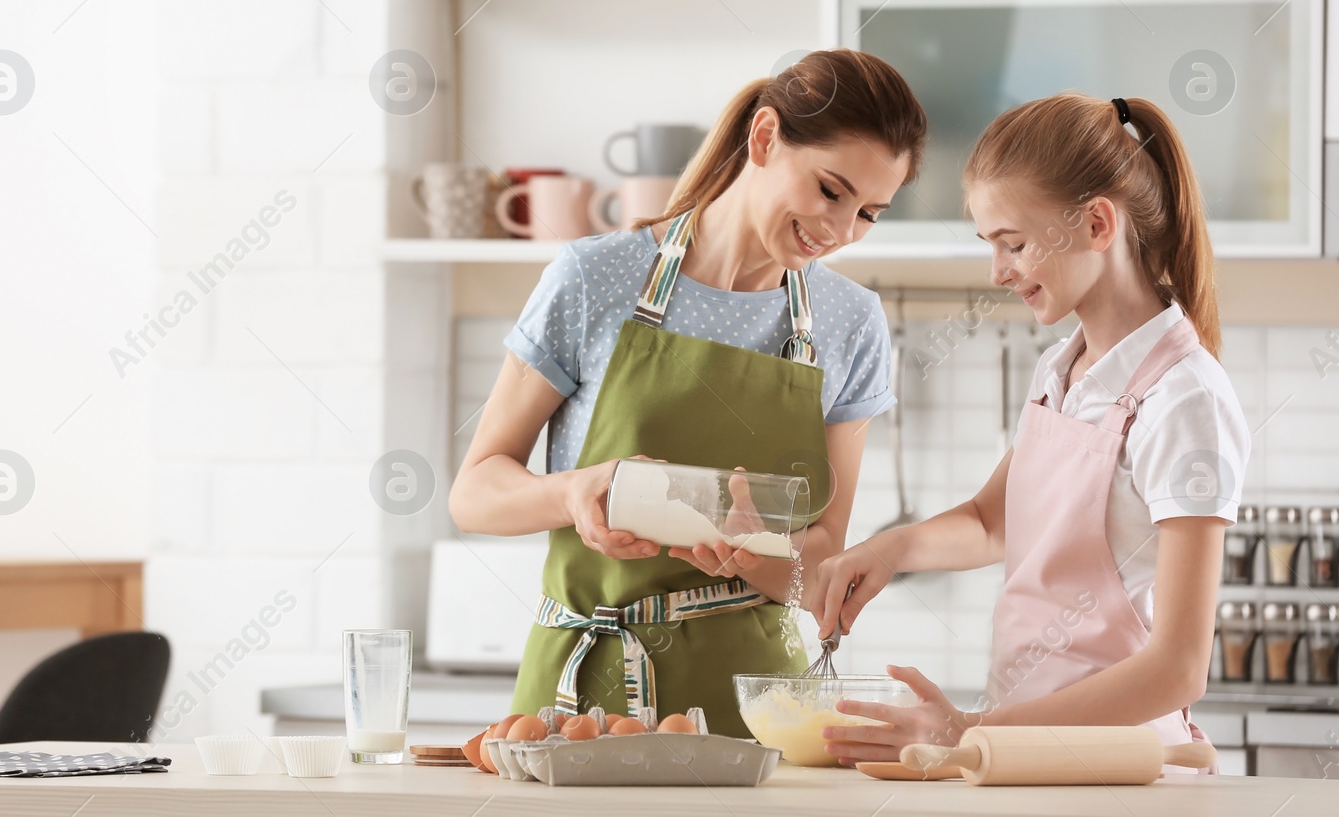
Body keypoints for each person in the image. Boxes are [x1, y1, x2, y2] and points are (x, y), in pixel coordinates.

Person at [449, 50, 928, 735]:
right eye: (830, 190)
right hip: (581, 702)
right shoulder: (594, 277)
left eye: (869, 213)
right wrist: (574, 491)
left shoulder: (850, 321)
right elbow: (473, 493)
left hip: (756, 715)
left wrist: (752, 559)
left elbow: (819, 562)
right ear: (764, 138)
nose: (840, 230)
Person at [809, 93, 1248, 766]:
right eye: (991, 245)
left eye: (1013, 243)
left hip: (1126, 771)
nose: (998, 271)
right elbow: (993, 522)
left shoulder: (1184, 399)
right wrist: (892, 548)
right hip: (1027, 760)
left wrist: (972, 731)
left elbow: (1179, 669)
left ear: (1098, 223)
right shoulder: (1059, 369)